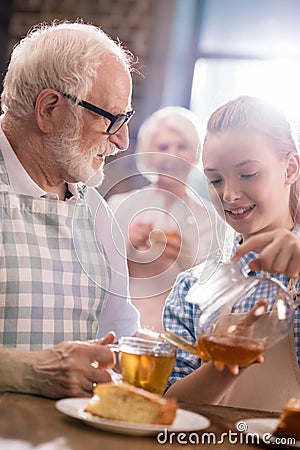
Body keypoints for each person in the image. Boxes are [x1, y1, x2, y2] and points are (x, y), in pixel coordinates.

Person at [0, 20, 140, 399]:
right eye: (110, 119)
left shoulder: (96, 211)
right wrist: (24, 371)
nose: (123, 140)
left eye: (125, 119)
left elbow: (119, 339)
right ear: (49, 110)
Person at [163, 96, 300, 411]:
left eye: (248, 174)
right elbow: (169, 408)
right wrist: (228, 361)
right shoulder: (192, 289)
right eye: (215, 179)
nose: (229, 194)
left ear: (290, 168)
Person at [108, 107, 228, 331]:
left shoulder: (212, 218)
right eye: (163, 147)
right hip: (124, 329)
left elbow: (217, 291)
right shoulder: (117, 206)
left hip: (184, 333)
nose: (171, 154)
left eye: (181, 146)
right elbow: (99, 278)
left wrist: (187, 260)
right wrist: (126, 246)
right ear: (149, 154)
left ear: (195, 155)